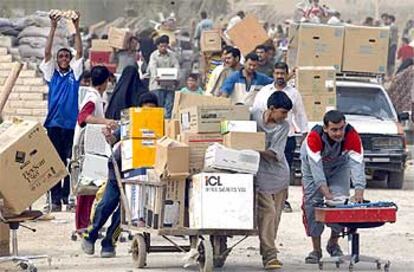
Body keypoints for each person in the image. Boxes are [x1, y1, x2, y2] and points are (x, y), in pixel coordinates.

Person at [81, 92, 159, 258]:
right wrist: (109, 136)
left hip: (140, 174)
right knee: (107, 204)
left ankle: (109, 242)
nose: (148, 114)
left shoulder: (160, 126)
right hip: (118, 170)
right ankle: (91, 234)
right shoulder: (129, 123)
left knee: (125, 212)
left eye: (152, 111)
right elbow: (113, 140)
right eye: (145, 110)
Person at [300, 110, 366, 264]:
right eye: (334, 130)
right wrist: (325, 192)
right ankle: (316, 250)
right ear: (325, 128)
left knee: (340, 204)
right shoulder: (314, 138)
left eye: (341, 128)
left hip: (338, 166)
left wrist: (359, 192)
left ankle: (333, 243)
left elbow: (357, 165)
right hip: (312, 166)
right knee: (312, 204)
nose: (338, 133)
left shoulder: (351, 136)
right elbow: (316, 171)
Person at [40, 11, 83, 212]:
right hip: (54, 124)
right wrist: (53, 27)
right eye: (61, 56)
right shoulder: (52, 74)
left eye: (67, 56)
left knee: (69, 161)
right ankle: (56, 198)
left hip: (71, 124)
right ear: (57, 60)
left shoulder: (74, 74)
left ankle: (67, 196)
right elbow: (47, 53)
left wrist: (77, 26)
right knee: (55, 162)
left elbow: (80, 53)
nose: (64, 58)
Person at [252, 62, 308, 213]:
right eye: (277, 73)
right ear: (273, 74)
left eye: (282, 73)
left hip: (286, 136)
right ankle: (261, 196)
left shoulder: (294, 93)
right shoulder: (264, 92)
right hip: (262, 138)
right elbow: (253, 112)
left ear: (287, 74)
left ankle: (283, 199)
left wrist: (304, 134)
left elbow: (300, 114)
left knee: (283, 168)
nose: (280, 76)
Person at [73, 65, 118, 233]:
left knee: (91, 187)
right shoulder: (92, 97)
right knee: (86, 188)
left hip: (92, 145)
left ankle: (86, 224)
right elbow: (84, 117)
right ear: (105, 81)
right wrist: (105, 122)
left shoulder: (96, 96)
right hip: (86, 147)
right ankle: (82, 225)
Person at [251, 91, 293, 270]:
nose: (284, 117)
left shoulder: (283, 126)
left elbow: (274, 155)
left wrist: (251, 146)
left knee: (274, 218)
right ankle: (270, 255)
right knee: (267, 213)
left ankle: (268, 253)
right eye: (282, 112)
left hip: (279, 175)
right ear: (271, 108)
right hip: (260, 175)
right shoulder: (253, 115)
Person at [148, 35, 179, 118]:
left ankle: (167, 125)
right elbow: (152, 67)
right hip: (157, 85)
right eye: (161, 46)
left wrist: (176, 76)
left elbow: (176, 65)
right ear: (157, 46)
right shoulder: (154, 55)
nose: (163, 48)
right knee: (159, 106)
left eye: (165, 46)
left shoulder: (172, 55)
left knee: (169, 106)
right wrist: (156, 76)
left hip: (169, 85)